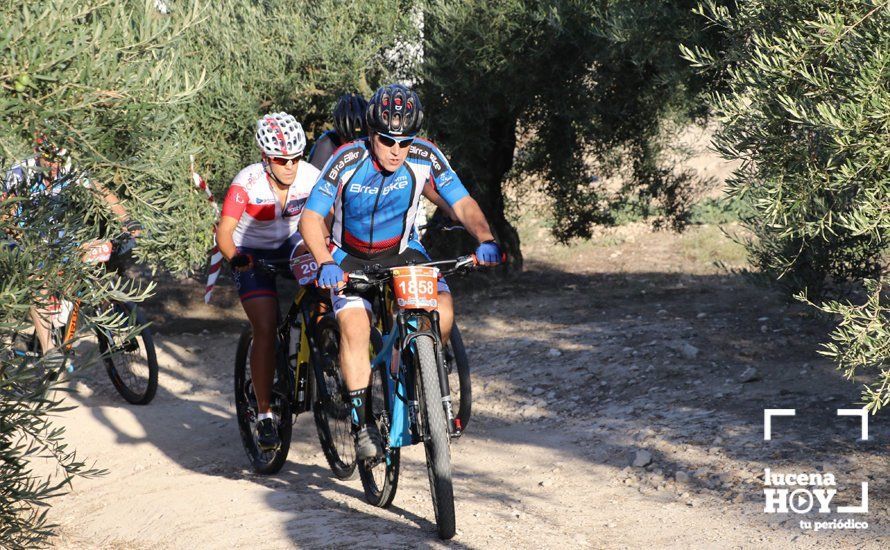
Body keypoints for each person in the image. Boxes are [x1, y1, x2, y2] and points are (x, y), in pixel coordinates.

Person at [299, 84, 502, 460]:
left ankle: (418, 369)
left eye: (404, 141)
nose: (396, 150)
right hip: (348, 257)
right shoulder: (345, 159)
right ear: (372, 134)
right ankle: (361, 426)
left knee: (442, 308)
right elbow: (311, 218)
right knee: (356, 328)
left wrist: (485, 238)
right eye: (388, 140)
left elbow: (462, 202)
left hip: (403, 251)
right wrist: (325, 262)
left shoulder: (426, 156)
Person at [216, 112, 320, 451]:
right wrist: (236, 258)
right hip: (252, 252)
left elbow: (331, 220)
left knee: (326, 292)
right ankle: (263, 415)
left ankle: (322, 353)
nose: (290, 165)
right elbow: (225, 232)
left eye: (295, 157)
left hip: (292, 245)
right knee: (266, 324)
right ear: (265, 157)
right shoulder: (247, 182)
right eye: (281, 159)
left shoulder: (311, 176)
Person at [3, 130, 139, 360]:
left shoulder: (68, 168)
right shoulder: (20, 173)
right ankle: (49, 352)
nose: (55, 165)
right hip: (25, 237)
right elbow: (6, 214)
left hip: (59, 237)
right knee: (38, 282)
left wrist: (127, 220)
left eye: (59, 159)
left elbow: (101, 192)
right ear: (38, 156)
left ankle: (111, 318)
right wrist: (19, 235)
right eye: (50, 160)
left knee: (95, 264)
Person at [308, 93, 459, 227]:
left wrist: (447, 207)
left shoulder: (383, 146)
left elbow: (420, 180)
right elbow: (318, 198)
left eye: (363, 139)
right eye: (347, 139)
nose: (355, 145)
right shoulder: (326, 146)